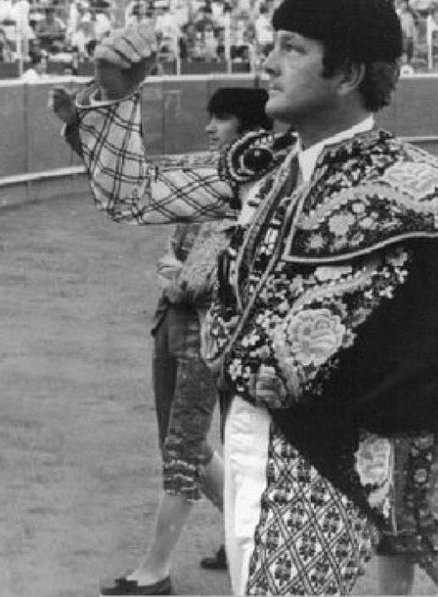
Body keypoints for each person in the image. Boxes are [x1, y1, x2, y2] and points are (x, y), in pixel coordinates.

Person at [52, 0, 438, 596]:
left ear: (347, 73)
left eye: (291, 48)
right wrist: (117, 93)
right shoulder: (263, 163)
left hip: (325, 456)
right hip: (243, 429)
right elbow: (133, 196)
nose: (267, 63)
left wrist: (345, 431)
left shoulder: (411, 192)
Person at [49, 77, 274, 596]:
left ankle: (155, 569)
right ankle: (245, 533)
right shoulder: (217, 172)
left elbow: (198, 276)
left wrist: (181, 273)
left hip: (210, 329)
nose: (209, 127)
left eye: (220, 118)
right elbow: (140, 181)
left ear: (249, 127)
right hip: (175, 321)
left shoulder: (257, 182)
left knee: (182, 446)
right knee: (182, 446)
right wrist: (77, 126)